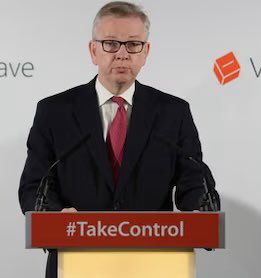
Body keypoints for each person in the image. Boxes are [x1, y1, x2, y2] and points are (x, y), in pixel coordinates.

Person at [18, 2, 217, 278]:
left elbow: (194, 180)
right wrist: (56, 216)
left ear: (145, 52)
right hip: (75, 261)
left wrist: (198, 211)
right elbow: (33, 186)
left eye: (133, 44)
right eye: (111, 43)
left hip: (155, 263)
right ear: (93, 50)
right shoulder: (55, 111)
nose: (122, 54)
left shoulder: (174, 112)